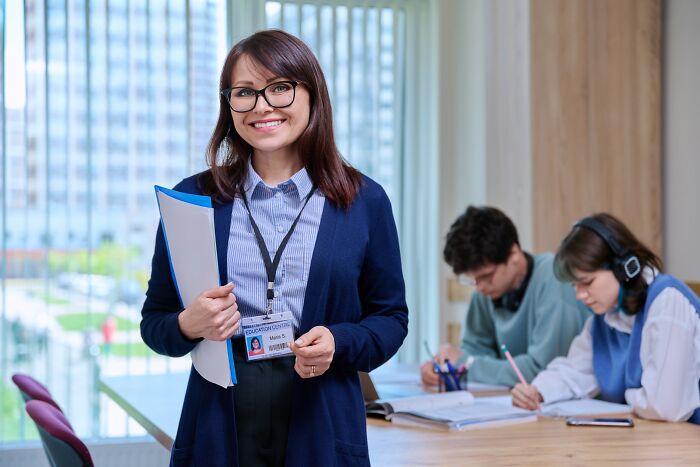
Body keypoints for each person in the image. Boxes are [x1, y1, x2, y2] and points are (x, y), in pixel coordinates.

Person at [140, 29, 408, 466]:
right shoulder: (191, 200)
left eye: (280, 88)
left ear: (311, 94)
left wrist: (339, 342)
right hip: (217, 420)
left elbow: (391, 319)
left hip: (321, 418)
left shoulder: (365, 200)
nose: (262, 106)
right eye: (244, 92)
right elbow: (155, 324)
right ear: (229, 105)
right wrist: (190, 323)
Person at [512, 213, 700, 423]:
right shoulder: (605, 317)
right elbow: (575, 370)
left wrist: (628, 395)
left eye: (587, 282)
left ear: (622, 268)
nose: (579, 295)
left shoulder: (667, 302)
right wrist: (537, 391)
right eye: (575, 285)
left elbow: (666, 407)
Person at [421, 206, 588, 387]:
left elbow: (543, 370)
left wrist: (465, 365)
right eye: (472, 280)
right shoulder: (486, 290)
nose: (479, 287)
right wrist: (448, 367)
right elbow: (474, 351)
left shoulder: (553, 278)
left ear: (514, 254)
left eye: (486, 276)